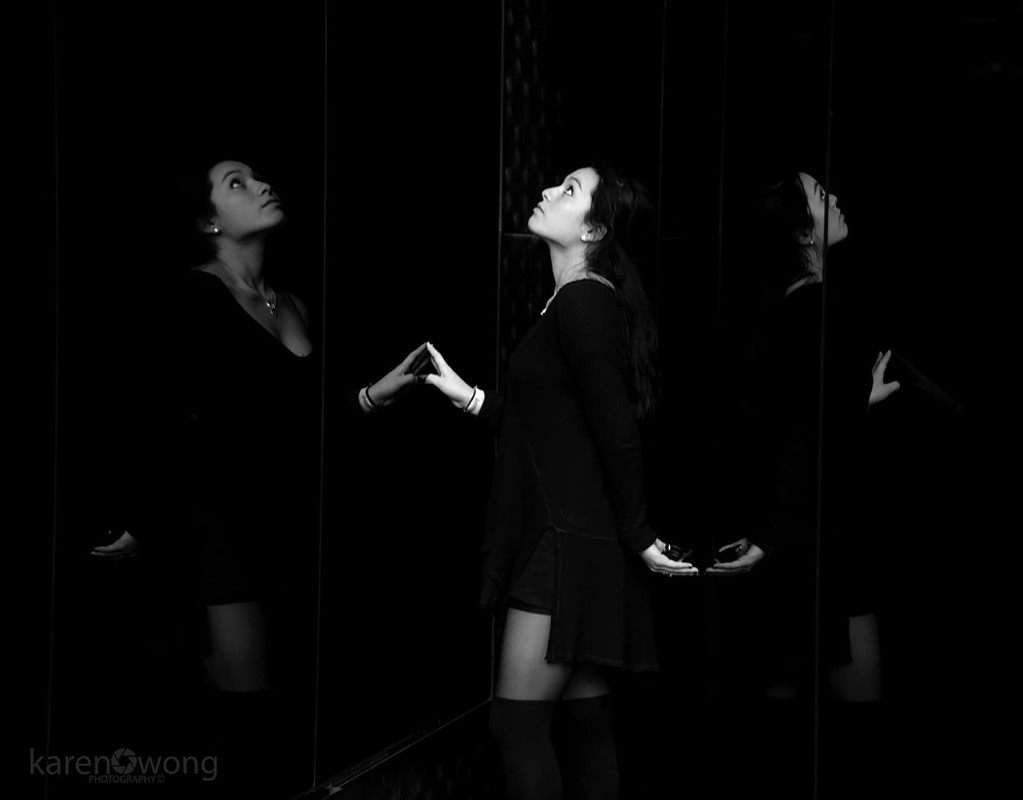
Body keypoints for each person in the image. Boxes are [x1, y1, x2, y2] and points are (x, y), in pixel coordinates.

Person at [99, 157, 426, 795]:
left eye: (256, 176)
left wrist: (370, 396)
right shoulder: (193, 296)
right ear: (209, 222)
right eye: (237, 183)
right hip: (223, 535)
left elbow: (305, 424)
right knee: (244, 730)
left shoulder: (294, 303)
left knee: (293, 721)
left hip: (292, 532)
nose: (262, 185)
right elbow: (160, 420)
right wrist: (142, 516)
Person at [423, 163, 697, 800]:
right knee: (585, 724)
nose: (548, 190)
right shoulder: (580, 298)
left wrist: (641, 536)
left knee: (516, 725)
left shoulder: (584, 299)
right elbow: (551, 428)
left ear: (594, 229)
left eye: (569, 190)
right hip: (580, 539)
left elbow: (617, 430)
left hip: (566, 547)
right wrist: (467, 397)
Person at [718, 171, 899, 798]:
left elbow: (797, 418)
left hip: (787, 541)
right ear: (802, 234)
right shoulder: (819, 307)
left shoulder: (784, 308)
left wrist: (856, 398)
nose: (836, 199)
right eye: (822, 196)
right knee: (851, 734)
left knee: (781, 731)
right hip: (820, 543)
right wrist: (773, 535)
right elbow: (801, 434)